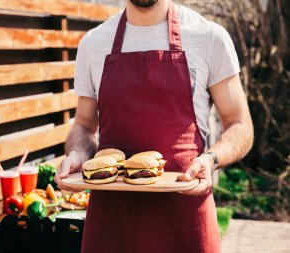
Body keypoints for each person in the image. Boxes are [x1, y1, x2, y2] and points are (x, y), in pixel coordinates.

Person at [54, 0, 254, 252]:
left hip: (185, 222)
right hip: (113, 226)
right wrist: (78, 154)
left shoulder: (209, 38)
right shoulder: (93, 43)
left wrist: (211, 160)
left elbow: (239, 124)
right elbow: (83, 124)